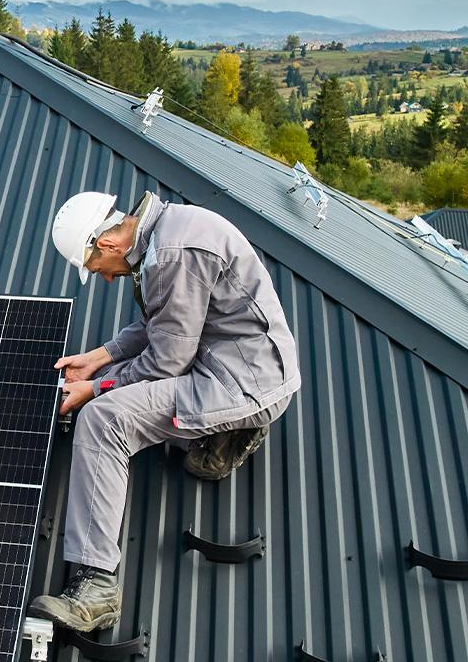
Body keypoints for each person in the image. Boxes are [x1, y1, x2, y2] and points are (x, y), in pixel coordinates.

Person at [30, 189, 301, 631]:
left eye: (97, 268)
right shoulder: (168, 230)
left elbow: (165, 361)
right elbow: (165, 320)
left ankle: (97, 585)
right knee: (126, 399)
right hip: (232, 361)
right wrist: (101, 355)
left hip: (239, 383)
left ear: (108, 244)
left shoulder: (170, 255)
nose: (105, 279)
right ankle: (218, 434)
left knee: (104, 421)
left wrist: (96, 389)